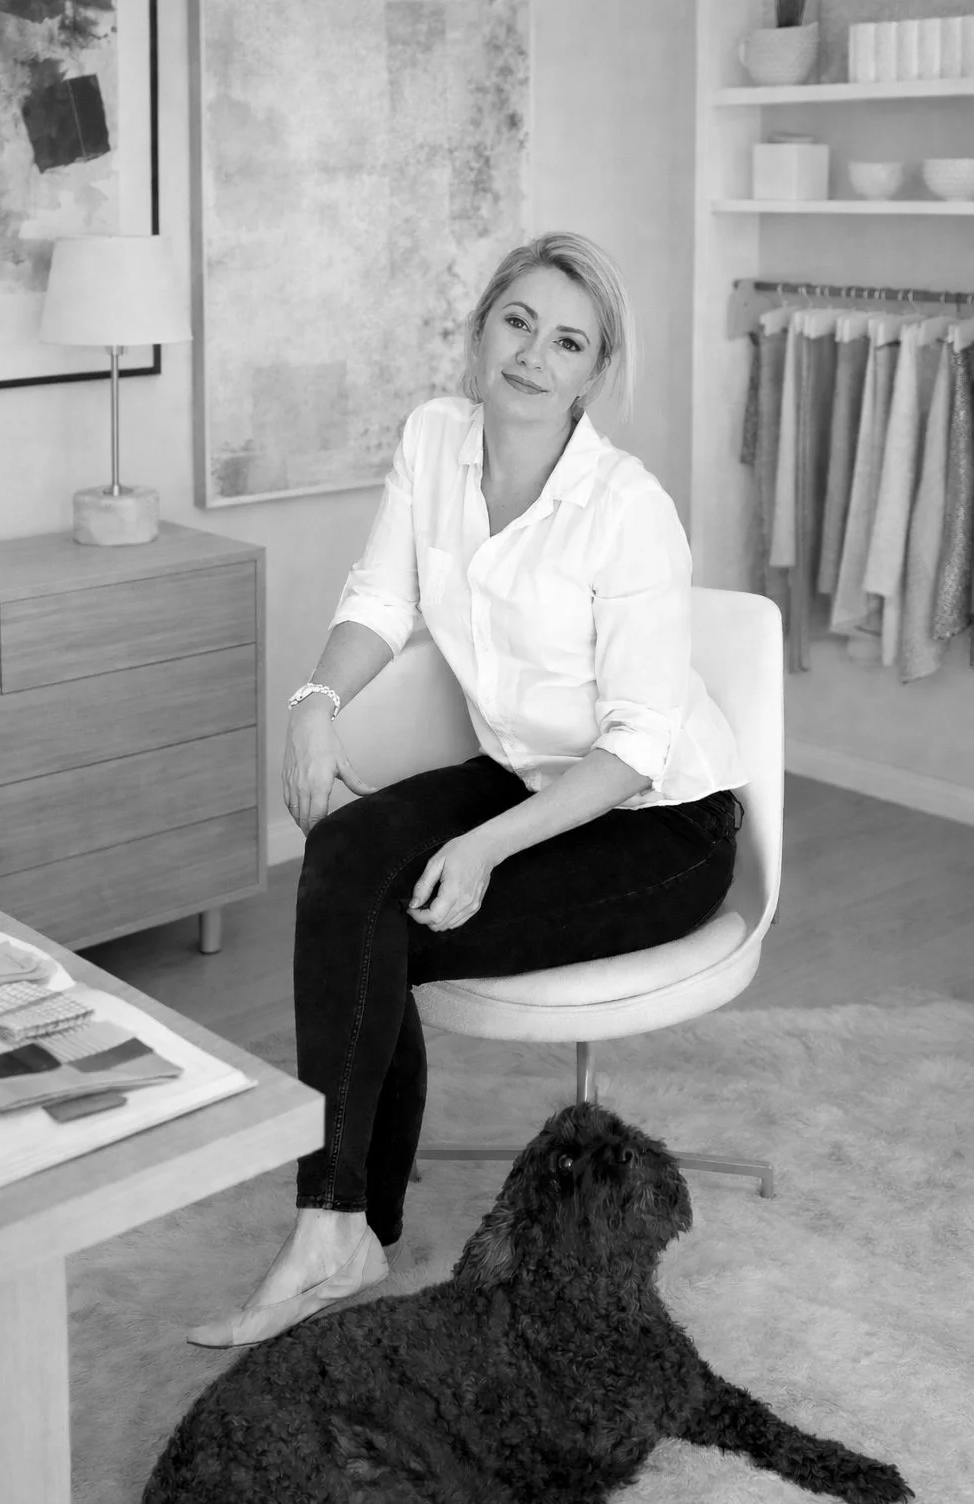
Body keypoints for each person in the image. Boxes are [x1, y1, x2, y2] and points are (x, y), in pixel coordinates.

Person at [188, 231, 745, 1349]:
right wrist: (313, 700)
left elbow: (638, 745)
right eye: (519, 323)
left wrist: (488, 848)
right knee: (341, 864)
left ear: (595, 372)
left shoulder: (625, 508)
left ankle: (345, 1223)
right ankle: (340, 1225)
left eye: (568, 341)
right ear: (482, 327)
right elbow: (379, 599)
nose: (535, 355)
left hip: (656, 822)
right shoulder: (434, 439)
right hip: (521, 772)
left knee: (382, 922)